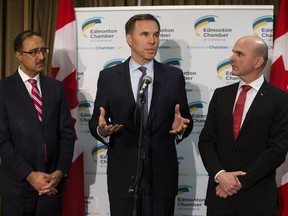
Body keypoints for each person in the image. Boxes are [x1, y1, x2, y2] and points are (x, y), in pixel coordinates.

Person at [89, 14, 193, 216]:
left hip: (162, 175)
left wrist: (181, 129)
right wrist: (101, 130)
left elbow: (185, 120)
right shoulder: (109, 77)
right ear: (129, 38)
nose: (152, 40)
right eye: (144, 34)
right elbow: (96, 121)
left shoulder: (173, 76)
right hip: (123, 173)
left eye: (156, 34)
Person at [198, 35, 288, 216]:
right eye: (233, 52)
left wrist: (238, 182)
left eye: (239, 54)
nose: (231, 58)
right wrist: (220, 175)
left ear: (258, 62)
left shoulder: (280, 99)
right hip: (219, 197)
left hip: (257, 200)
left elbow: (277, 150)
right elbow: (207, 140)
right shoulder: (221, 95)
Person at [0, 30, 75, 216]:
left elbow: (66, 134)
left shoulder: (55, 88)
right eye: (33, 52)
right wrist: (30, 175)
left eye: (44, 50)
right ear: (19, 55)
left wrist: (60, 172)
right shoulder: (3, 89)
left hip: (51, 185)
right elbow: (2, 141)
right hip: (18, 186)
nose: (41, 56)